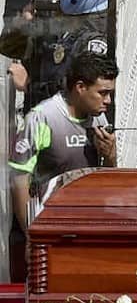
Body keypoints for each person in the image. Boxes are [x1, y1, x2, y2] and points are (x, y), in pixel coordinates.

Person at [9, 53, 118, 233]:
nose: (108, 101)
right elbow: (19, 180)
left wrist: (110, 156)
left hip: (88, 225)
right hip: (52, 228)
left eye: (110, 93)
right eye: (103, 93)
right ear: (80, 87)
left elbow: (107, 179)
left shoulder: (99, 119)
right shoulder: (42, 118)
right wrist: (32, 235)